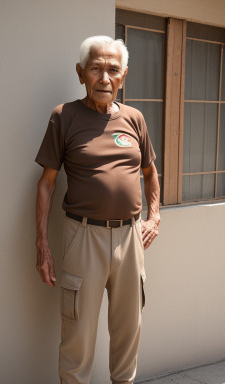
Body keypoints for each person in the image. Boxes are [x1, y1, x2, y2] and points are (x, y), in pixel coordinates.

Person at [35, 35, 160, 384]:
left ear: (124, 76)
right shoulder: (64, 117)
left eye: (113, 70)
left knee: (128, 333)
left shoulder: (135, 119)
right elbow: (46, 183)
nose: (104, 78)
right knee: (77, 337)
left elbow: (150, 173)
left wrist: (155, 217)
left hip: (130, 237)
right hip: (83, 236)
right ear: (80, 74)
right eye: (96, 69)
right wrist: (42, 245)